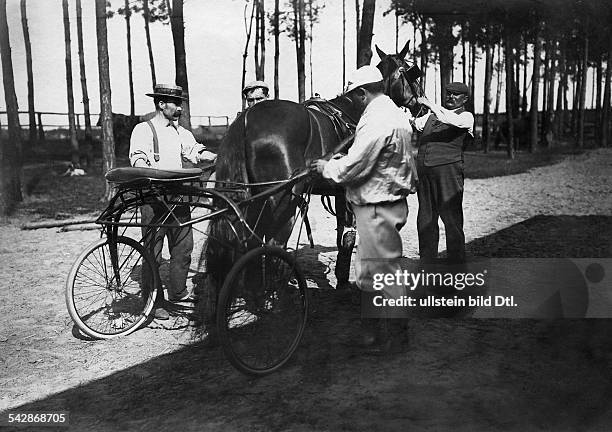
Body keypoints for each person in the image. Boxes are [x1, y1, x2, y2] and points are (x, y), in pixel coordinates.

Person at [311, 65, 417, 351]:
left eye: (354, 96)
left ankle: (385, 338)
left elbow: (354, 166)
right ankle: (386, 334)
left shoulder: (376, 119)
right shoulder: (396, 114)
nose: (353, 102)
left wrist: (326, 167)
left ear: (362, 92)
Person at [129, 84, 216, 320]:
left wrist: (217, 156)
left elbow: (196, 151)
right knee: (153, 252)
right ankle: (153, 300)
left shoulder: (181, 132)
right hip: (153, 197)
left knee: (183, 247)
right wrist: (150, 175)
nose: (179, 109)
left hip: (178, 197)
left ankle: (178, 292)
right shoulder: (143, 130)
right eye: (175, 104)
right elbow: (137, 158)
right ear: (161, 104)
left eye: (180, 104)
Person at [411, 82, 474, 264]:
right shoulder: (431, 117)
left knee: (451, 221)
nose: (451, 97)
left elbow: (450, 120)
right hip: (425, 175)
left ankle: (456, 267)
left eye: (456, 95)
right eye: (448, 94)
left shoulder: (466, 117)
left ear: (465, 99)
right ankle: (427, 265)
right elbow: (413, 124)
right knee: (426, 220)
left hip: (449, 174)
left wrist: (430, 104)